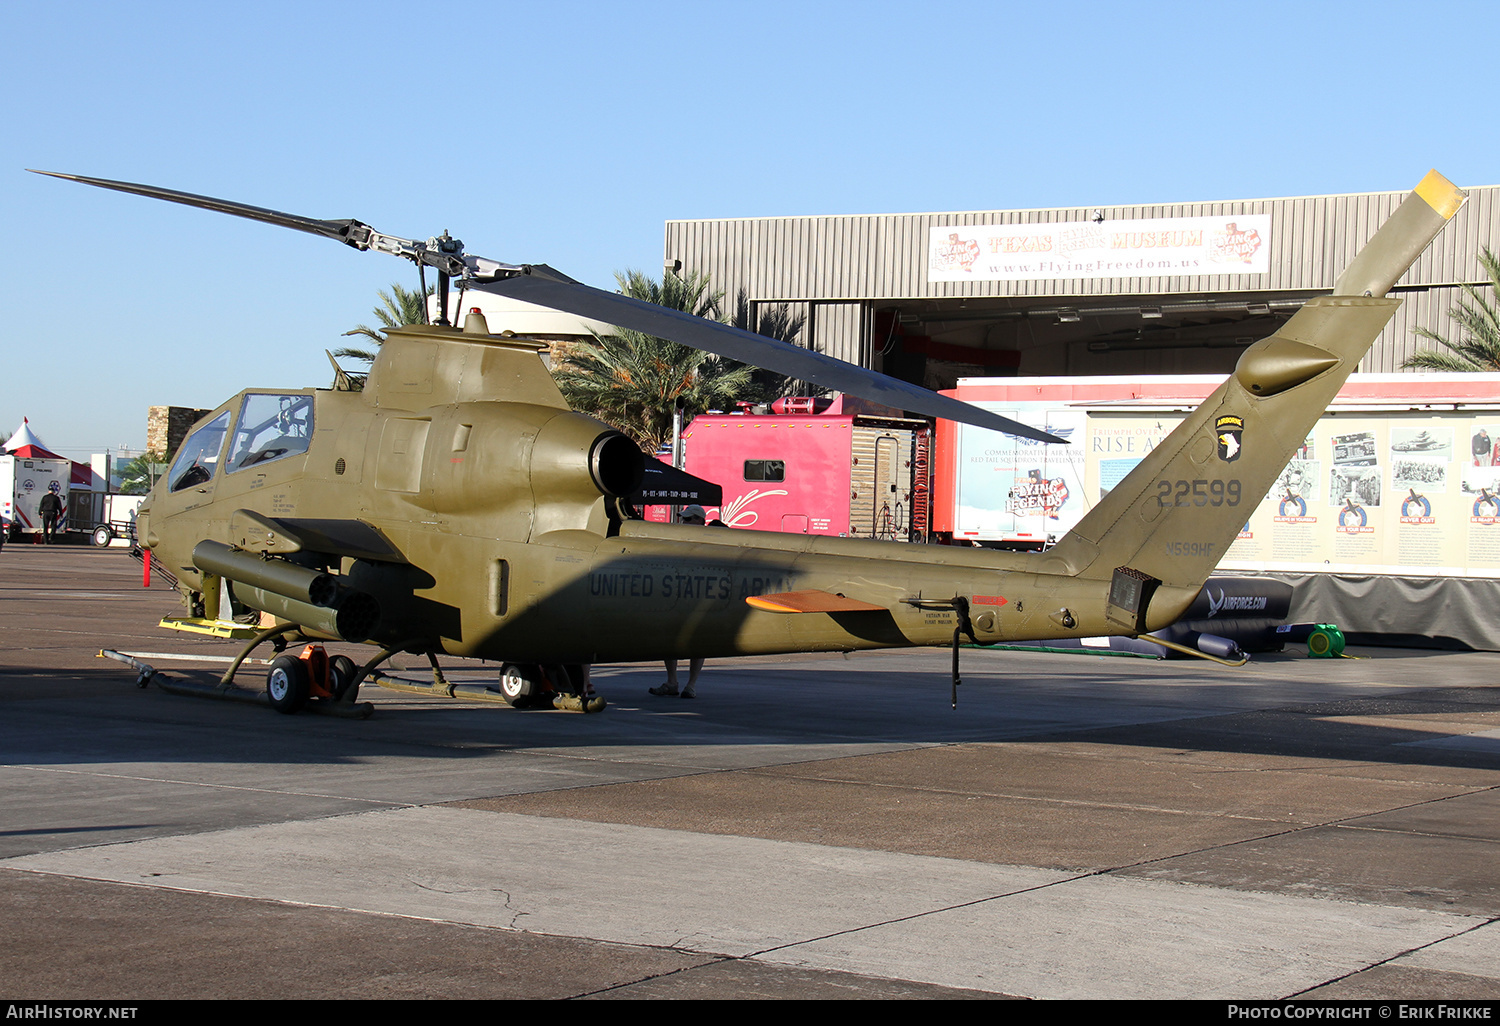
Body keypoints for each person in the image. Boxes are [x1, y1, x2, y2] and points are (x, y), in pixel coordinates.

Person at [651, 505, 708, 699]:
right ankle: (672, 681)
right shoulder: (677, 540)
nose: (685, 522)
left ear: (701, 521)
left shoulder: (709, 542)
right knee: (669, 639)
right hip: (678, 596)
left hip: (698, 597)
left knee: (698, 643)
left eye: (690, 519)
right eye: (684, 519)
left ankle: (691, 685)